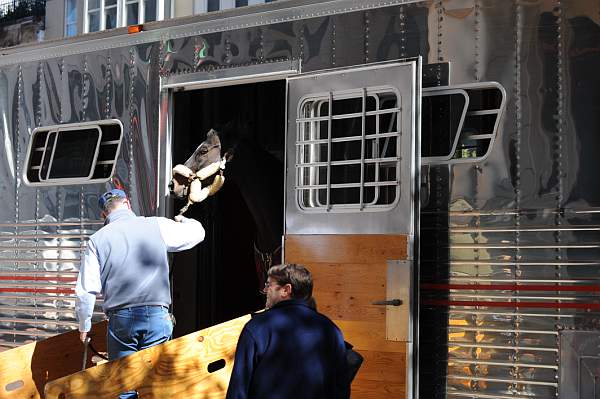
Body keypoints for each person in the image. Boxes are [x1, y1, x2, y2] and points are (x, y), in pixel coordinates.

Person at [75, 188, 205, 399]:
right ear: (128, 203)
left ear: (103, 215)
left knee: (125, 385)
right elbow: (198, 234)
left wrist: (84, 326)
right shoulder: (156, 225)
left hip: (121, 321)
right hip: (157, 315)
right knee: (155, 383)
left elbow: (86, 290)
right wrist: (185, 221)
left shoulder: (96, 241)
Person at [226, 263, 350, 399]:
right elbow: (341, 387)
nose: (265, 290)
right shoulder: (331, 330)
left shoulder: (257, 327)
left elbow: (239, 389)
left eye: (269, 285)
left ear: (286, 290)